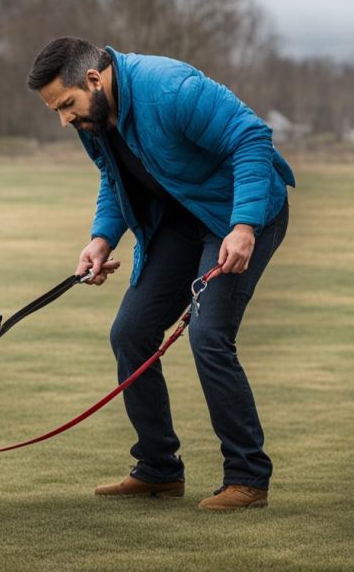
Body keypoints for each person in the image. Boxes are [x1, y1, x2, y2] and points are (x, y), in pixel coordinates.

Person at [27, 37, 295, 510]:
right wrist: (101, 238)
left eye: (66, 105)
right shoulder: (93, 119)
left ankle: (248, 478)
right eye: (56, 111)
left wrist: (244, 224)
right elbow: (117, 180)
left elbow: (252, 136)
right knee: (130, 332)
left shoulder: (170, 88)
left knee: (209, 336)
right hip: (180, 222)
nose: (64, 119)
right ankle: (158, 470)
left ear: (94, 79)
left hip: (240, 216)